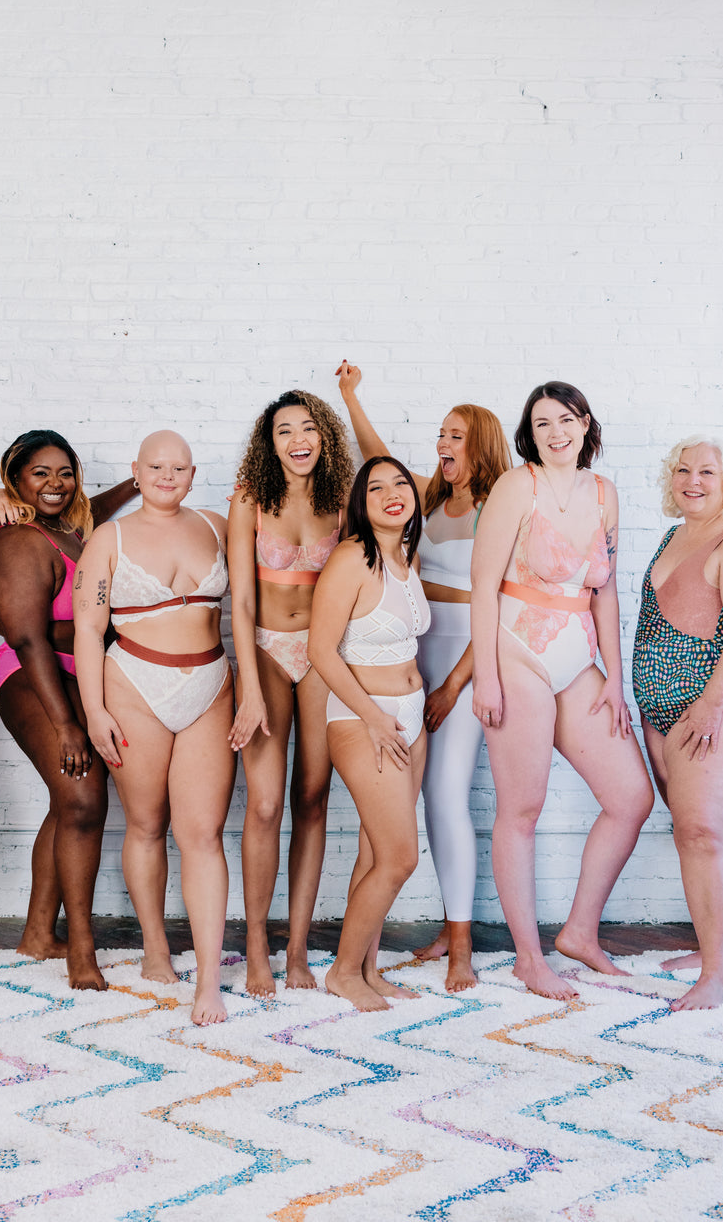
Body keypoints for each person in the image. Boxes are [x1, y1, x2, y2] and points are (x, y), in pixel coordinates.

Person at [470, 383, 654, 1000]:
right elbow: (482, 585)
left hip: (578, 658)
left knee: (631, 798)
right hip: (517, 652)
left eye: (566, 419)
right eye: (542, 421)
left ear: (585, 425)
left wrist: (616, 681)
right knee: (521, 810)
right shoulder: (515, 486)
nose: (555, 431)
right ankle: (528, 958)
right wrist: (487, 677)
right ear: (530, 431)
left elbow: (605, 589)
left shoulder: (605, 494)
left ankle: (579, 931)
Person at [337, 361, 511, 991]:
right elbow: (376, 461)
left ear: (483, 444)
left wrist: (453, 685)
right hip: (409, 658)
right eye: (440, 435)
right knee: (400, 807)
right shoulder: (428, 497)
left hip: (466, 660)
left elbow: (497, 607)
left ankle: (461, 942)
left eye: (455, 436)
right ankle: (432, 931)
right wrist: (350, 396)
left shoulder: (499, 504)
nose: (443, 445)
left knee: (445, 794)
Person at [74, 430, 234, 1025]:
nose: (168, 476)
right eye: (156, 466)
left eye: (179, 467)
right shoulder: (108, 538)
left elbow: (250, 608)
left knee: (204, 833)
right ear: (135, 472)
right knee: (145, 823)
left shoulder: (217, 525)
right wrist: (95, 711)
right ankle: (156, 947)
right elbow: (88, 631)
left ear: (194, 474)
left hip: (211, 687)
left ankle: (210, 981)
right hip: (134, 687)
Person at [0, 430, 137, 991]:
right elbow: (28, 640)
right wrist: (68, 724)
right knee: (82, 798)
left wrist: (139, 482)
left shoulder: (71, 528)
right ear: (14, 480)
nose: (54, 484)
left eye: (64, 472)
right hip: (33, 673)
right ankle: (80, 946)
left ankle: (37, 934)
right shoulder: (18, 541)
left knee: (67, 801)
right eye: (39, 474)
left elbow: (92, 509)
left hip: (77, 670)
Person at [633, 437, 723, 1011]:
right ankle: (722, 951)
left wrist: (710, 705)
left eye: (707, 472)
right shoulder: (675, 536)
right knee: (707, 831)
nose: (693, 480)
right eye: (683, 470)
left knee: (704, 835)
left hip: (715, 707)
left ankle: (717, 972)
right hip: (668, 712)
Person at [228, 390, 354, 996]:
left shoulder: (344, 501)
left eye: (309, 428)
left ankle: (298, 948)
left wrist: (354, 399)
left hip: (325, 655)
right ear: (269, 442)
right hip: (266, 652)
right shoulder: (249, 500)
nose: (298, 439)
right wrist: (249, 689)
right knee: (264, 803)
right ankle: (256, 942)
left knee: (312, 798)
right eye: (284, 431)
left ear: (325, 436)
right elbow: (242, 601)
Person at [308, 456, 431, 1011]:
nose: (391, 494)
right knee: (400, 857)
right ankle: (341, 972)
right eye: (375, 488)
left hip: (410, 714)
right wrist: (377, 717)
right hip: (364, 716)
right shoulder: (352, 558)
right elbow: (320, 650)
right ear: (362, 503)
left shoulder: (407, 556)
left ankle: (368, 969)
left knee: (374, 852)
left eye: (400, 483)